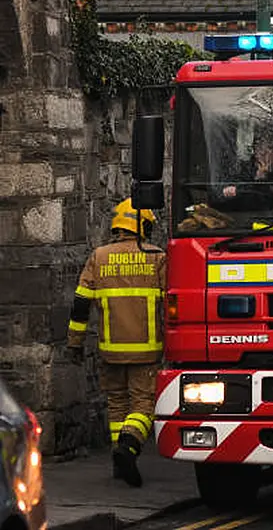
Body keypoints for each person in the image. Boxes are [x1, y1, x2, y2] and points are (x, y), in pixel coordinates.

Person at [67, 198, 166, 487]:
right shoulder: (156, 257)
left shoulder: (99, 257)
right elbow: (174, 303)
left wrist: (75, 342)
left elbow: (81, 305)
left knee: (118, 405)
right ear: (144, 226)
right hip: (146, 351)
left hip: (110, 349)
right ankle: (129, 447)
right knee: (144, 406)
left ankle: (119, 461)